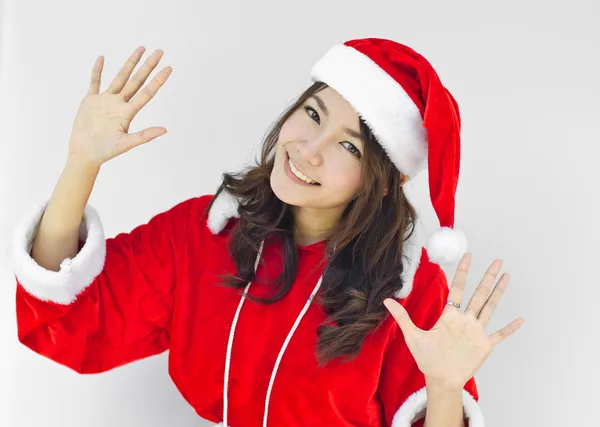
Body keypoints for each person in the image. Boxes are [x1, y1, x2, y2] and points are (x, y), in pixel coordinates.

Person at [11, 38, 524, 427]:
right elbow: (72, 317)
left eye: (349, 147)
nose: (309, 149)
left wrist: (444, 386)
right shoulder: (202, 233)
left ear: (385, 181)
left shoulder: (409, 291)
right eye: (312, 114)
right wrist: (80, 164)